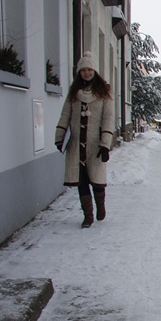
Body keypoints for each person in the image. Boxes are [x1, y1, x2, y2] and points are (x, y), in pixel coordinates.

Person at [55, 51, 114, 228]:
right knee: (81, 181)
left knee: (96, 180)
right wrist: (60, 138)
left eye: (89, 69)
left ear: (94, 71)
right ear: (79, 73)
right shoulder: (74, 92)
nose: (86, 73)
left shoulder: (104, 92)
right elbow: (65, 115)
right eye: (83, 70)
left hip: (95, 145)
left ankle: (100, 206)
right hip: (76, 145)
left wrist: (105, 144)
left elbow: (108, 118)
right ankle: (88, 216)